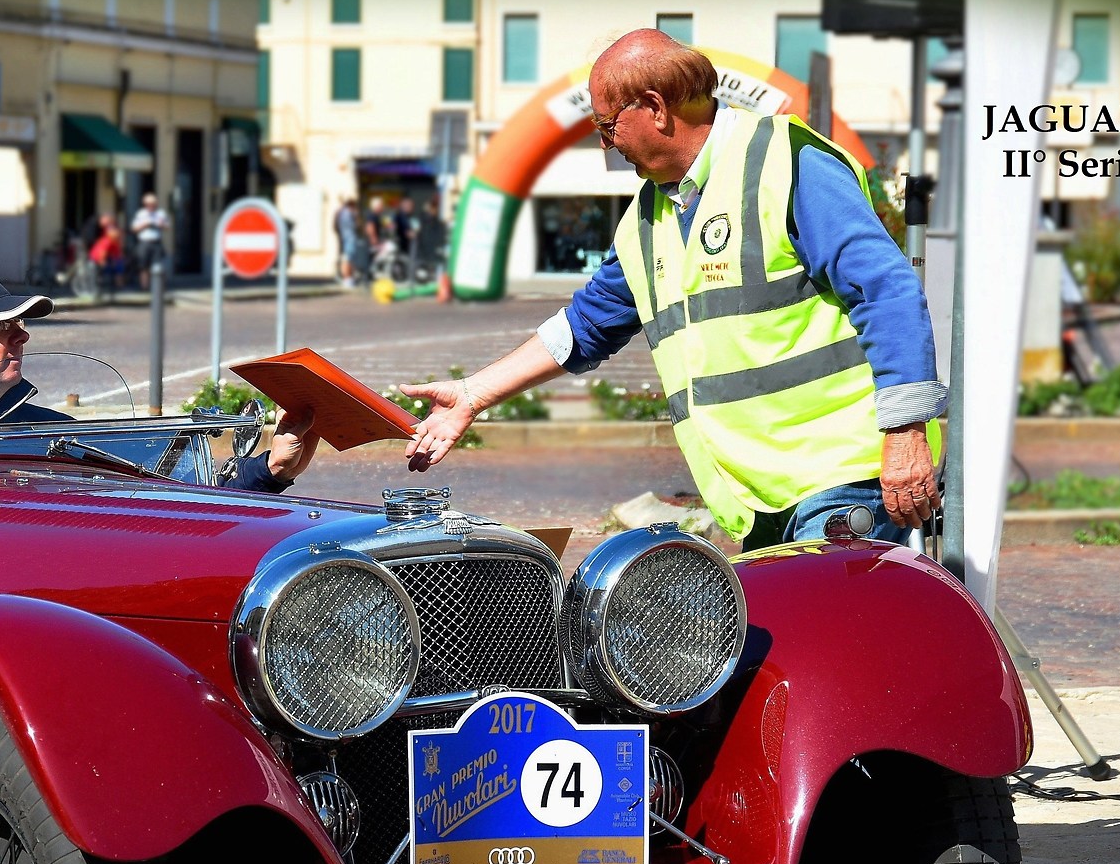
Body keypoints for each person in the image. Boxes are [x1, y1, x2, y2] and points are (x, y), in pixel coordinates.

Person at [401, 30, 943, 551]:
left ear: (656, 109)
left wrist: (905, 431)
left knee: (834, 645)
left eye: (607, 123)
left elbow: (885, 288)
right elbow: (583, 328)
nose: (603, 141)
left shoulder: (785, 161)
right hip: (759, 502)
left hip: (846, 478)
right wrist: (472, 395)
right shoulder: (648, 218)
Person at [0, 269, 320, 493]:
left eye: (21, 323)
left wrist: (269, 469)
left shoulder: (51, 435)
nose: (22, 334)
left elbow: (155, 496)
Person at [130, 190, 169, 288]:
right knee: (143, 266)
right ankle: (144, 287)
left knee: (158, 266)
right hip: (144, 242)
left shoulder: (161, 213)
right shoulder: (140, 214)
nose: (151, 206)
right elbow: (133, 229)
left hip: (156, 243)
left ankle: (159, 288)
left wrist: (162, 225)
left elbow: (168, 227)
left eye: (153, 204)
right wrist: (144, 225)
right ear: (145, 204)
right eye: (149, 204)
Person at [334, 197, 362, 287]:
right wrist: (356, 216)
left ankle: (348, 278)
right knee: (348, 259)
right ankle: (347, 279)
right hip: (349, 238)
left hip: (345, 238)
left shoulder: (342, 212)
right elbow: (355, 226)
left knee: (348, 259)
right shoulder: (348, 214)